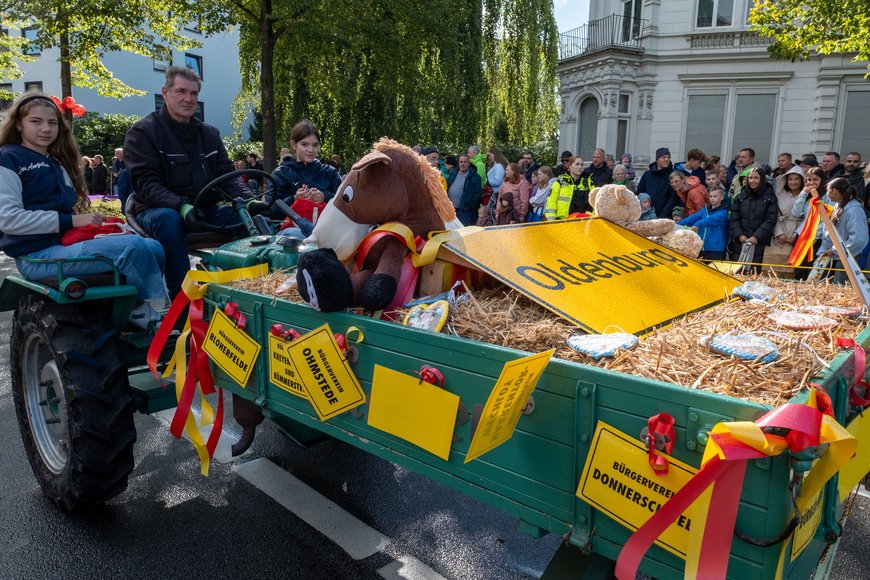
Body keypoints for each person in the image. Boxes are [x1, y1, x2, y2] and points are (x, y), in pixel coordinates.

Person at [0, 93, 167, 329]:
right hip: (37, 256)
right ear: (19, 124)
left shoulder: (55, 163)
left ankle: (137, 306)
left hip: (64, 244)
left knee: (154, 246)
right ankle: (143, 309)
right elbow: (8, 220)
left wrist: (91, 224)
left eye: (52, 122)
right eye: (35, 121)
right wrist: (72, 221)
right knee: (133, 248)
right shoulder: (8, 159)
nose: (45, 128)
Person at [124, 66, 258, 299]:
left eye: (194, 93)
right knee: (168, 220)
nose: (188, 99)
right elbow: (146, 184)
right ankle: (181, 299)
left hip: (204, 210)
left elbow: (226, 177)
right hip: (157, 210)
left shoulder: (209, 134)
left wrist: (249, 201)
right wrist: (180, 205)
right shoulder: (143, 133)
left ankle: (242, 290)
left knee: (249, 220)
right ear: (165, 92)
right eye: (181, 92)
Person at [268, 120, 343, 210]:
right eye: (304, 144)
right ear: (294, 144)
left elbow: (347, 203)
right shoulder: (280, 174)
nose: (311, 150)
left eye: (315, 145)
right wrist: (294, 199)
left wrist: (325, 196)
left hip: (327, 223)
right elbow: (270, 210)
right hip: (291, 223)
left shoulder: (330, 172)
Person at [818, 177, 869, 284]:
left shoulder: (854, 210)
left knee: (839, 287)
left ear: (834, 191)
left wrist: (835, 250)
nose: (827, 193)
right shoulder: (840, 206)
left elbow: (858, 239)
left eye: (828, 190)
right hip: (838, 254)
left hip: (849, 255)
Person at [730, 166, 779, 274]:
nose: (752, 181)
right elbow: (734, 218)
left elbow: (771, 219)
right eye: (750, 178)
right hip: (741, 240)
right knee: (738, 271)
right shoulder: (740, 196)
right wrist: (739, 234)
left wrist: (756, 236)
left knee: (755, 272)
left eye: (756, 178)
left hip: (759, 241)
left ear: (761, 179)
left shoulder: (770, 196)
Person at [790, 166, 829, 281]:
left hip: (816, 238)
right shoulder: (807, 196)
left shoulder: (827, 197)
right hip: (802, 236)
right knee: (798, 268)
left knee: (811, 270)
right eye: (808, 179)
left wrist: (813, 234)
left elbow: (828, 220)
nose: (811, 182)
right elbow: (795, 213)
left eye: (815, 179)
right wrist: (803, 194)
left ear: (822, 180)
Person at [767, 165, 806, 271]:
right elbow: (774, 215)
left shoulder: (807, 196)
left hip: (799, 232)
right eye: (790, 179)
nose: (793, 182)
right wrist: (779, 233)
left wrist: (796, 234)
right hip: (781, 232)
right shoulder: (779, 195)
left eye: (797, 179)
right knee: (776, 265)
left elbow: (807, 218)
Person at [680, 187, 729, 261]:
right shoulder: (704, 210)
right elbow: (692, 218)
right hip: (701, 248)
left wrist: (697, 225)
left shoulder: (723, 212)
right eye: (710, 196)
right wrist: (676, 224)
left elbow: (709, 220)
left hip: (716, 250)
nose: (712, 198)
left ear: (722, 197)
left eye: (715, 196)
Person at [637, 147, 678, 220]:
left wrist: (663, 214)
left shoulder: (672, 175)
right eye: (663, 157)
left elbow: (673, 198)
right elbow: (640, 193)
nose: (667, 159)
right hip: (646, 215)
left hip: (665, 216)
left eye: (668, 157)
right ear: (657, 160)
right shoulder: (647, 175)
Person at [446, 153, 482, 226]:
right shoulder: (454, 172)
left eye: (465, 162)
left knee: (463, 231)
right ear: (458, 163)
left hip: (464, 211)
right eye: (461, 162)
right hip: (451, 209)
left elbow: (477, 194)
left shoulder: (474, 176)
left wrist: (468, 205)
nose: (462, 164)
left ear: (469, 163)